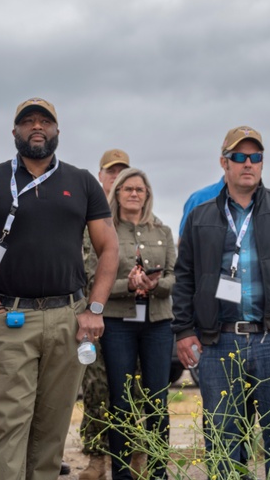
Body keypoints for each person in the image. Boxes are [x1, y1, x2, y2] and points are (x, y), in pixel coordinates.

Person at [0, 97, 119, 480]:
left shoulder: (81, 182)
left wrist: (93, 310)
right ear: (14, 131)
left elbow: (109, 247)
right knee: (7, 426)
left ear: (57, 130)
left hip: (69, 318)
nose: (36, 127)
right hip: (11, 316)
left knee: (52, 428)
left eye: (44, 121)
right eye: (27, 121)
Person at [173, 125, 270, 479]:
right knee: (224, 441)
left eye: (256, 157)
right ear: (224, 163)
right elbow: (184, 277)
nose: (248, 163)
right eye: (239, 157)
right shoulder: (201, 216)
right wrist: (183, 330)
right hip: (218, 341)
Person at [90, 167, 176, 480]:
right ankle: (123, 474)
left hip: (157, 322)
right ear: (117, 194)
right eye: (128, 189)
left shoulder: (162, 231)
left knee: (158, 400)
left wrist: (155, 285)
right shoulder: (104, 230)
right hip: (118, 323)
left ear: (147, 195)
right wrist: (126, 286)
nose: (134, 194)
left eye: (140, 189)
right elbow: (93, 280)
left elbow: (173, 276)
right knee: (121, 401)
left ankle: (157, 472)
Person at [78, 148, 130, 480]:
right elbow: (87, 266)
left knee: (130, 390)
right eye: (110, 172)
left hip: (128, 318)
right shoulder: (88, 216)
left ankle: (133, 452)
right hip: (94, 317)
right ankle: (96, 456)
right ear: (100, 176)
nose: (115, 177)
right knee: (96, 387)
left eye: (121, 172)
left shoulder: (136, 219)